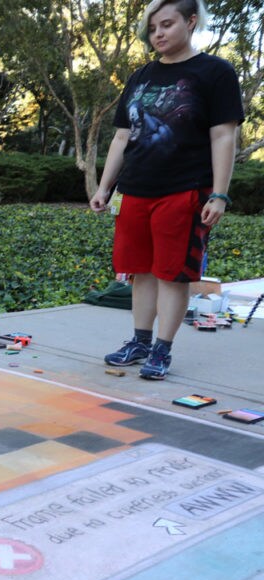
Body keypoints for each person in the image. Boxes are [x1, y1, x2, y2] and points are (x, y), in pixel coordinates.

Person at [90, 0, 243, 380]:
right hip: (136, 188)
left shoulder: (215, 72)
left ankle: (162, 349)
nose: (158, 34)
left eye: (167, 24)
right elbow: (123, 135)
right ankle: (140, 341)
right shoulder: (140, 76)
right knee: (140, 271)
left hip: (185, 189)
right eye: (153, 27)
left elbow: (224, 135)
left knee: (173, 274)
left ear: (191, 22)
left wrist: (219, 193)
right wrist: (104, 186)